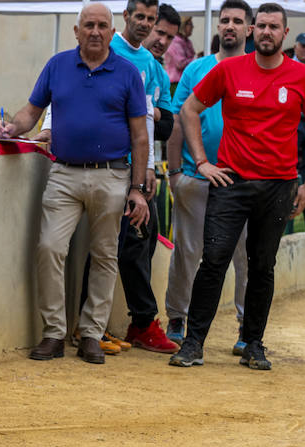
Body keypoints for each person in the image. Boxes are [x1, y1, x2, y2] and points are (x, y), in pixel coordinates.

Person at [170, 2, 305, 371]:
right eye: (262, 26)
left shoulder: (302, 76)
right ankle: (193, 343)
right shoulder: (229, 70)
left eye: (275, 27)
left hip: (279, 186)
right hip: (232, 182)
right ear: (253, 30)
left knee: (262, 266)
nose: (267, 33)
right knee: (214, 262)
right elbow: (189, 110)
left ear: (284, 34)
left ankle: (254, 343)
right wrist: (202, 162)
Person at [0, 2, 150, 365]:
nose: (95, 31)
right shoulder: (57, 66)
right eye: (88, 25)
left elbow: (140, 137)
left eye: (102, 26)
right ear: (76, 31)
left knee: (105, 256)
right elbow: (31, 112)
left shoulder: (128, 73)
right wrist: (11, 129)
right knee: (49, 248)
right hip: (63, 173)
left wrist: (138, 189)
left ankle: (92, 334)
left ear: (113, 33)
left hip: (112, 174)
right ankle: (53, 333)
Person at [164, 0, 252, 349]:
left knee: (245, 257)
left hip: (244, 181)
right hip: (196, 177)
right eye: (224, 20)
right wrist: (173, 173)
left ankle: (248, 328)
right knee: (187, 252)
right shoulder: (195, 69)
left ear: (249, 28)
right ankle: (176, 317)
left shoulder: (258, 69)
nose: (229, 26)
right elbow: (175, 122)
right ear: (218, 26)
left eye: (237, 21)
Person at [109, 0, 180, 355]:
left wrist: (147, 167)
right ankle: (140, 321)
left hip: (139, 168)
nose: (158, 36)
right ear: (128, 17)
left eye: (165, 32)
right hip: (109, 164)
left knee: (142, 242)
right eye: (150, 23)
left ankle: (137, 322)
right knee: (123, 244)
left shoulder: (153, 68)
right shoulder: (109, 52)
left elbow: (164, 125)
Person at [164, 15, 195, 83]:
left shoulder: (187, 41)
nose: (193, 27)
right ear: (183, 25)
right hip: (175, 82)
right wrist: (195, 59)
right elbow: (180, 64)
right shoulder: (175, 41)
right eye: (190, 24)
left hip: (184, 80)